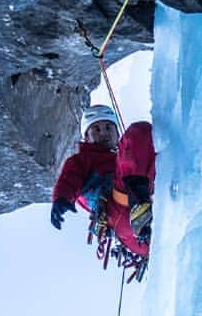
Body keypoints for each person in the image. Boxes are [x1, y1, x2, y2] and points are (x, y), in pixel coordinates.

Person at [50, 105, 156, 261]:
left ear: (117, 132)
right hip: (118, 206)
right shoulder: (83, 159)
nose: (104, 133)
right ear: (86, 138)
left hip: (132, 233)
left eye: (108, 127)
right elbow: (70, 178)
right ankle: (139, 206)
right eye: (96, 130)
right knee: (139, 131)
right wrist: (61, 198)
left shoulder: (122, 155)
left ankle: (143, 210)